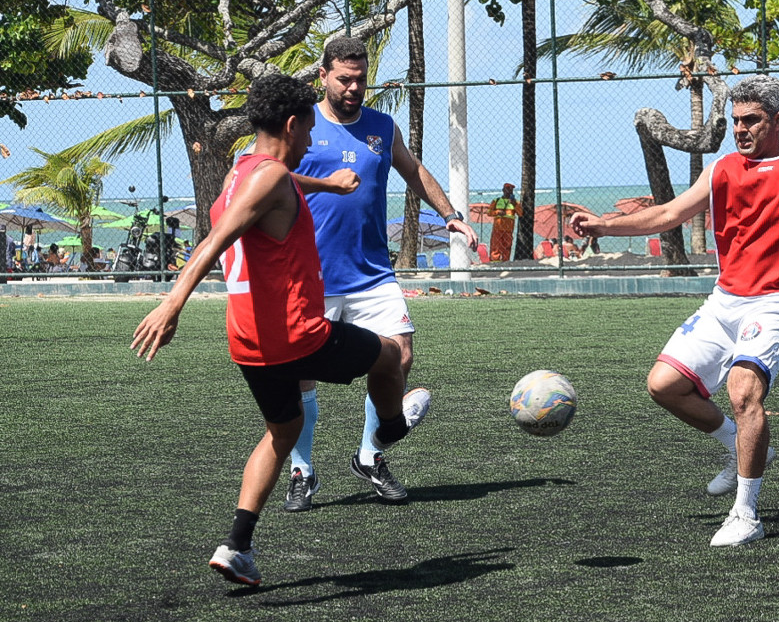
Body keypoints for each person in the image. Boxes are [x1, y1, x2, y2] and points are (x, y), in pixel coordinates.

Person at [130, 72, 429, 586]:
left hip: (249, 342)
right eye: (309, 130)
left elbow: (281, 185)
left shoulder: (243, 171)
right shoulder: (269, 178)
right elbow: (213, 241)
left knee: (283, 431)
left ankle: (236, 546)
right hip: (297, 334)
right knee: (388, 355)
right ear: (292, 125)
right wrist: (172, 303)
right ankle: (392, 430)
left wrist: (328, 184)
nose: (312, 141)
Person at [571, 75, 779, 547]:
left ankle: (746, 513)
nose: (740, 129)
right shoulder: (721, 169)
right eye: (736, 120)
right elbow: (669, 214)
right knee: (663, 385)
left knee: (744, 394)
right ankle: (735, 444)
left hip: (778, 299)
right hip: (724, 300)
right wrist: (604, 225)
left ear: (777, 120)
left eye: (751, 120)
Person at [286, 37, 478, 510]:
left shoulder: (382, 126)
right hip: (311, 276)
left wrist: (450, 214)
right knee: (300, 374)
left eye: (360, 79)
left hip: (372, 273)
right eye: (344, 79)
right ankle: (302, 471)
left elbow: (413, 170)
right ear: (323, 76)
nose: (353, 88)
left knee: (399, 356)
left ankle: (370, 457)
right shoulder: (301, 125)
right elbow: (265, 176)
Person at [488, 183, 522, 261]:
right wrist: (497, 212)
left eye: (511, 190)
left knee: (507, 247)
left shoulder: (516, 202)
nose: (509, 191)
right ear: (503, 190)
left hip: (508, 229)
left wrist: (514, 205)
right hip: (497, 229)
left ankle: (506, 262)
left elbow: (520, 213)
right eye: (507, 189)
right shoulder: (496, 201)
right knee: (495, 246)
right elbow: (489, 212)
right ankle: (495, 262)